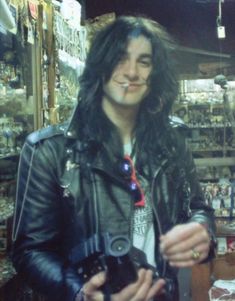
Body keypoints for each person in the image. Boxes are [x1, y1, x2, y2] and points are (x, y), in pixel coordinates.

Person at [12, 15, 216, 301]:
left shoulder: (172, 140)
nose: (131, 72)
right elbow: (30, 251)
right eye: (120, 58)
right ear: (100, 66)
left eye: (144, 61)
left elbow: (197, 208)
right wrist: (79, 293)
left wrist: (200, 232)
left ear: (154, 74)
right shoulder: (50, 150)